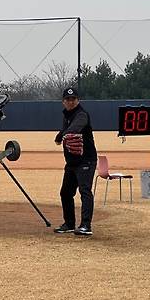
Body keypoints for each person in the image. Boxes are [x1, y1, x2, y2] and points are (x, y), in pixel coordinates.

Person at [53, 87, 97, 236]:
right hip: (72, 162)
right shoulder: (67, 115)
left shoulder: (81, 114)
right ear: (63, 102)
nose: (70, 102)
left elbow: (75, 128)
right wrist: (61, 134)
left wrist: (61, 136)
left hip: (86, 160)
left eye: (73, 99)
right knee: (65, 193)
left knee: (84, 191)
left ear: (78, 100)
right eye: (68, 100)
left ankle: (86, 225)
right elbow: (68, 129)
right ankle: (69, 224)